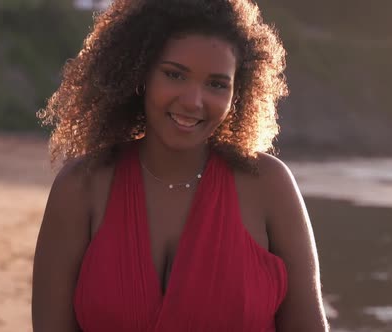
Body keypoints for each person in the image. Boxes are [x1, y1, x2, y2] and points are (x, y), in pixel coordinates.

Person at [32, 0, 329, 331]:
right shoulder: (81, 187)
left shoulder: (269, 187)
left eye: (217, 84)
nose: (193, 101)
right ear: (140, 73)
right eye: (174, 74)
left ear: (238, 92)